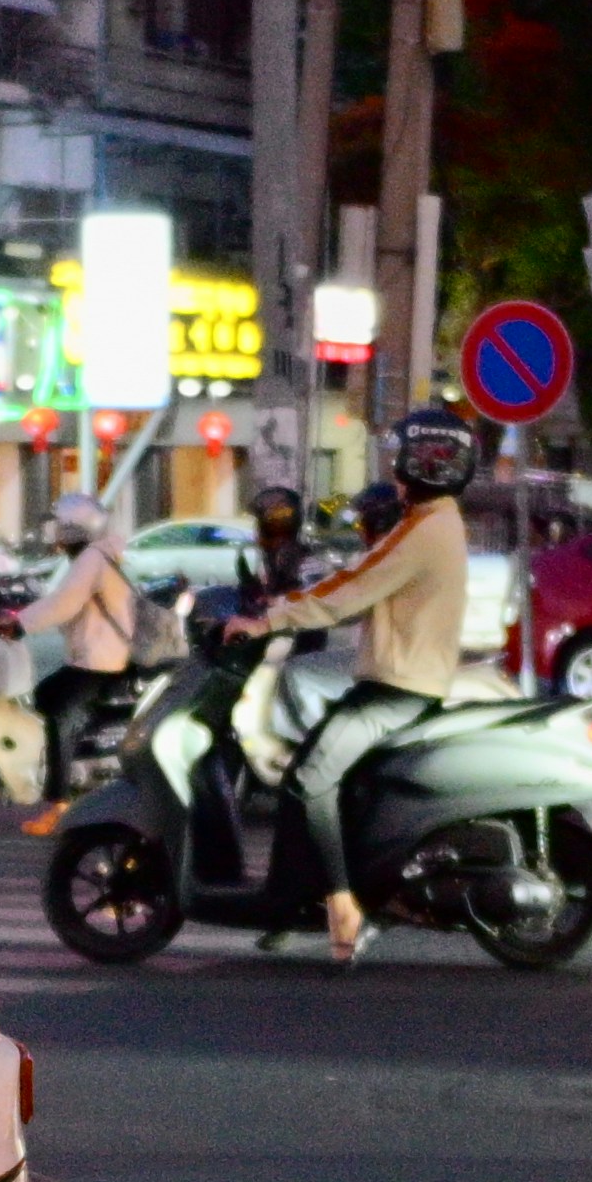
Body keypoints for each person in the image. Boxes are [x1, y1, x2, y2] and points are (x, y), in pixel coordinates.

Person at [245, 406, 479, 963]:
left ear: (425, 466)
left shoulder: (426, 529)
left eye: (401, 460)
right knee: (312, 772)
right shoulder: (433, 521)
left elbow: (349, 589)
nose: (394, 472)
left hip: (398, 690)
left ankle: (342, 902)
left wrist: (266, 620)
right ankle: (291, 901)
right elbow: (359, 590)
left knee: (308, 779)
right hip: (392, 682)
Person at [18, 493, 142, 831]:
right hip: (103, 657)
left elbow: (65, 604)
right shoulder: (102, 555)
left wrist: (19, 623)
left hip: (102, 661)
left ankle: (59, 803)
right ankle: (81, 767)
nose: (54, 533)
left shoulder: (92, 558)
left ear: (74, 529)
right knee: (45, 694)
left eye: (59, 526)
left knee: (60, 713)